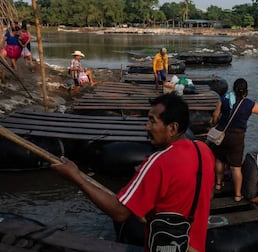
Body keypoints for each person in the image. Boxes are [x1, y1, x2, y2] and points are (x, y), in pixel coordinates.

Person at [51, 93, 215, 252]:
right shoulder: (203, 151)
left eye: (152, 121)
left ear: (172, 128)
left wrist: (76, 177)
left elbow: (119, 212)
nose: (147, 126)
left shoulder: (158, 162)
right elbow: (207, 195)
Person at [210, 78, 258, 202]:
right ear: (246, 90)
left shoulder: (224, 99)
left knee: (220, 160)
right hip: (237, 137)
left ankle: (218, 184)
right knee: (236, 167)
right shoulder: (249, 103)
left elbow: (215, 116)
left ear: (234, 88)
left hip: (221, 135)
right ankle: (237, 195)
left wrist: (213, 124)